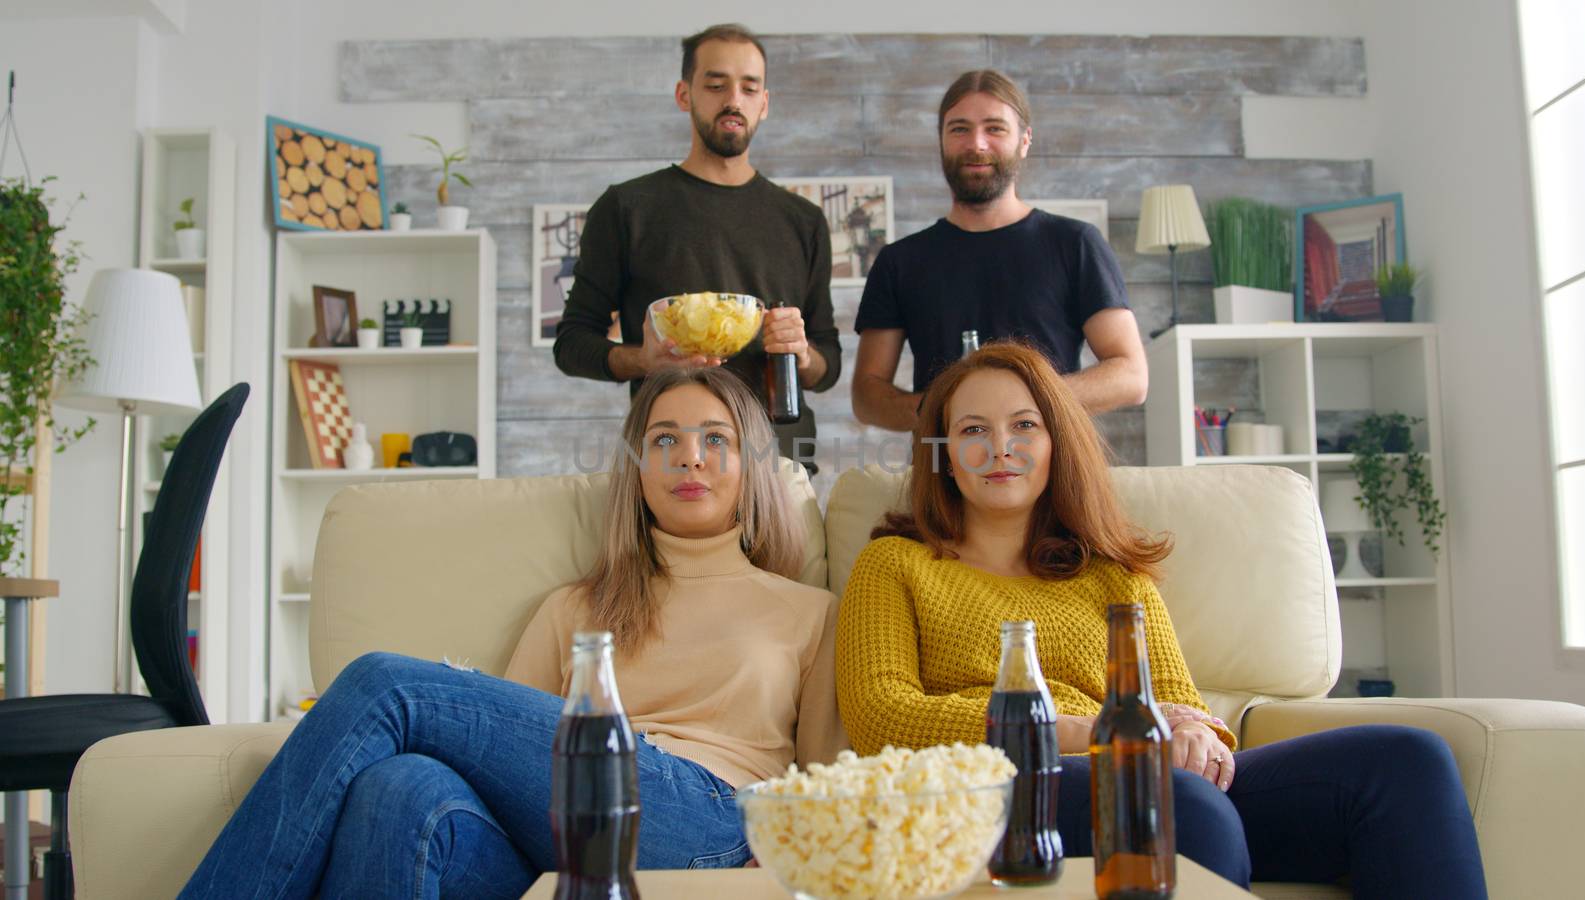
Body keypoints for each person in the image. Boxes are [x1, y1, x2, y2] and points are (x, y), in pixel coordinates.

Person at [835, 341, 1488, 898]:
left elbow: (1181, 706)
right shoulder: (894, 563)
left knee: (1405, 761)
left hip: (1152, 780)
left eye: (1024, 426)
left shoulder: (1112, 574)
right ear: (945, 454)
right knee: (1176, 802)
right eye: (973, 430)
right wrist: (1089, 733)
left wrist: (1199, 738)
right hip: (1002, 792)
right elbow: (882, 718)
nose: (1000, 447)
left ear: (1057, 441)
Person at [179, 367, 846, 899]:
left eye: (715, 440)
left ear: (751, 463)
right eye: (665, 440)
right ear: (638, 469)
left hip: (707, 826)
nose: (688, 459)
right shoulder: (573, 607)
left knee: (385, 684)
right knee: (402, 788)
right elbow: (503, 760)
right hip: (554, 842)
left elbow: (829, 782)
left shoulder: (809, 611)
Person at [554, 23, 841, 470]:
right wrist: (643, 360)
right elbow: (571, 343)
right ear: (684, 95)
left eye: (749, 88)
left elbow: (829, 366)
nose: (733, 100)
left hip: (780, 460)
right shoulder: (626, 208)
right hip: (676, 463)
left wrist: (803, 352)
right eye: (715, 84)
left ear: (764, 104)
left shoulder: (803, 221)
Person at [852, 70, 1148, 432]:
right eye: (959, 129)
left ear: (1025, 140)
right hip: (944, 477)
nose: (977, 144)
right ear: (942, 141)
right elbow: (867, 397)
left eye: (995, 128)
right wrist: (949, 410)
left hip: (1054, 476)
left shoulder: (1076, 243)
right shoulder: (899, 261)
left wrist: (1022, 403)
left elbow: (1131, 376)